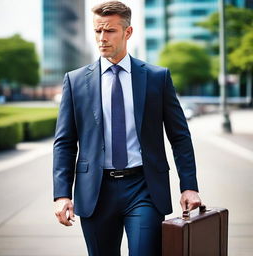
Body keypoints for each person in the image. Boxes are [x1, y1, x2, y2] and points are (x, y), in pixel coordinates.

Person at [53, 1, 201, 256]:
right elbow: (65, 142)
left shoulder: (157, 77)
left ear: (128, 32)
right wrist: (61, 194)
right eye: (98, 31)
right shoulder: (75, 81)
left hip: (144, 187)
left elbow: (179, 136)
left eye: (109, 31)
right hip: (96, 192)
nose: (102, 38)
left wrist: (189, 185)